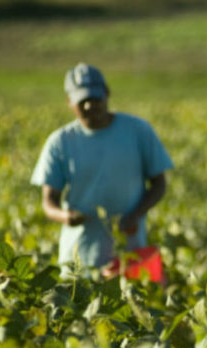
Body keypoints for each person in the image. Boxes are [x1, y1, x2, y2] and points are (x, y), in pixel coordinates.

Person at [31, 63, 174, 275]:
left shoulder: (137, 131)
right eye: (82, 101)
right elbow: (48, 202)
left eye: (95, 99)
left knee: (129, 303)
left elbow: (159, 184)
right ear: (70, 102)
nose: (90, 106)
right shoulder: (60, 142)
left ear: (106, 94)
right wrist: (66, 216)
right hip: (78, 258)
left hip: (129, 254)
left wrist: (136, 214)